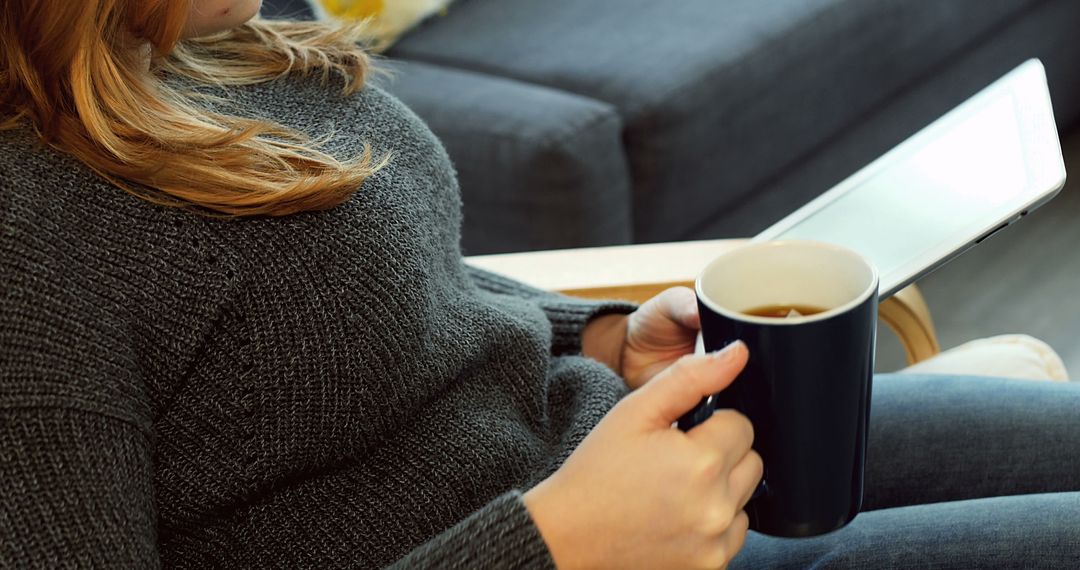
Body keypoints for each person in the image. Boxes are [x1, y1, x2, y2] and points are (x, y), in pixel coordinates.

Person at [1, 1, 1078, 568]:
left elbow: (379, 295)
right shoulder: (27, 242)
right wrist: (551, 548)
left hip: (620, 455)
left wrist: (597, 340)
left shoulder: (192, 49)